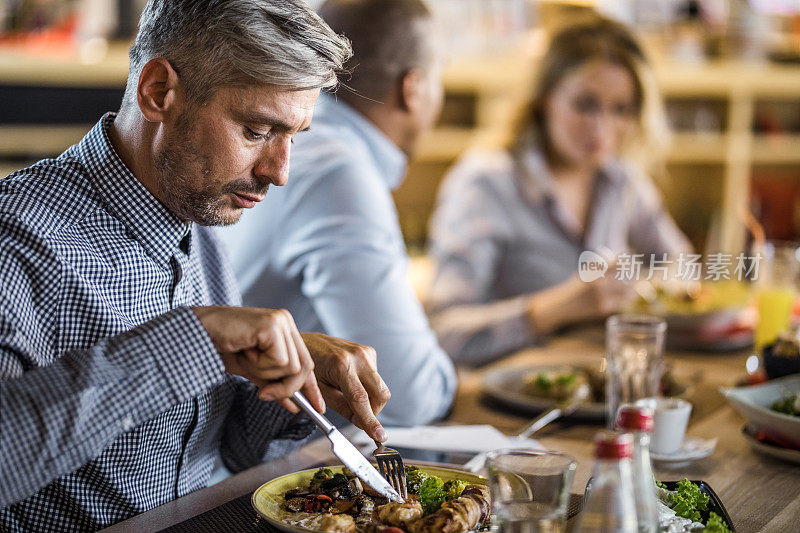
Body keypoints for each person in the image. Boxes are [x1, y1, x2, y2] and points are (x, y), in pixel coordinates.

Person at [0, 1, 394, 530]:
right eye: (257, 131)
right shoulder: (15, 237)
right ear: (159, 91)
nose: (279, 173)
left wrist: (293, 388)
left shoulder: (196, 219)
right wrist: (192, 342)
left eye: (292, 137)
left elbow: (221, 453)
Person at [217, 0, 457, 425]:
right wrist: (453, 377)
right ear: (413, 88)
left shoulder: (310, 146)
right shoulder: (339, 170)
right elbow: (408, 397)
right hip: (257, 458)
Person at [427, 16, 692, 365]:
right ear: (545, 98)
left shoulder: (621, 179)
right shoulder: (486, 183)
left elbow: (683, 266)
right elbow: (441, 331)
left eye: (621, 109)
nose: (603, 128)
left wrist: (647, 289)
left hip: (599, 377)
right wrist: (557, 307)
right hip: (507, 389)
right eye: (585, 104)